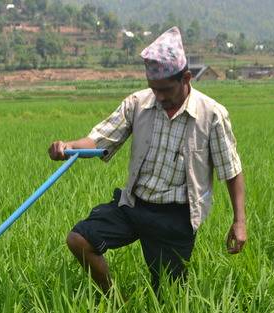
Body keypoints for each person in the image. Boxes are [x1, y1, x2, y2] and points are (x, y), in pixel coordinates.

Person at [49, 27, 247, 294]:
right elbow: (99, 140)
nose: (160, 97)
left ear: (186, 77)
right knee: (79, 239)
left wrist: (239, 221)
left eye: (166, 89)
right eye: (155, 89)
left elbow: (231, 170)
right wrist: (69, 147)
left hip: (176, 216)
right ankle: (114, 302)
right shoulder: (138, 104)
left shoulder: (211, 115)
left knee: (168, 297)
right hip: (134, 204)